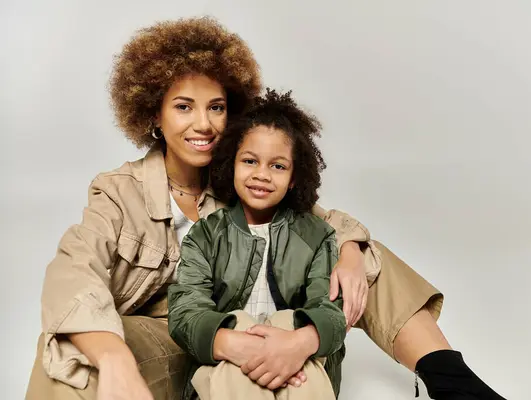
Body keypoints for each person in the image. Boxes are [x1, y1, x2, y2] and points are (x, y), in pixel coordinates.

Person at [25, 16, 505, 400]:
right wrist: (113, 359)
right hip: (170, 341)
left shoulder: (242, 177)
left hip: (251, 331)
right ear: (153, 113)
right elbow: (73, 272)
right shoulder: (118, 192)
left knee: (356, 258)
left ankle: (452, 382)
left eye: (216, 107)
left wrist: (352, 247)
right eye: (184, 107)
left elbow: (322, 221)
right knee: (67, 355)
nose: (205, 124)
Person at [168, 88, 346, 399]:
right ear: (232, 164)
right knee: (239, 322)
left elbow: (330, 312)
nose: (261, 175)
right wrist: (242, 344)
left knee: (288, 320)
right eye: (250, 161)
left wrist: (296, 343)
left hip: (298, 366)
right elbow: (186, 313)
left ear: (293, 177)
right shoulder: (206, 235)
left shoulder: (317, 236)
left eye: (277, 166)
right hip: (227, 364)